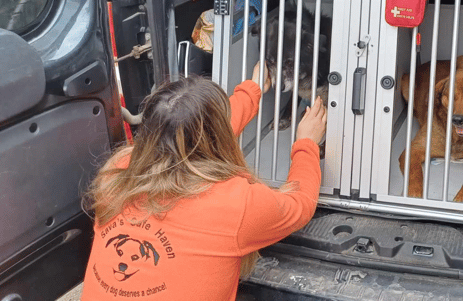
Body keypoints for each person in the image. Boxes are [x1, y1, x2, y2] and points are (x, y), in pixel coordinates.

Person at [80, 62, 326, 300]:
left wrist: (252, 90)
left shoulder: (118, 172)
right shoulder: (235, 203)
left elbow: (189, 134)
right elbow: (300, 204)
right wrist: (307, 144)